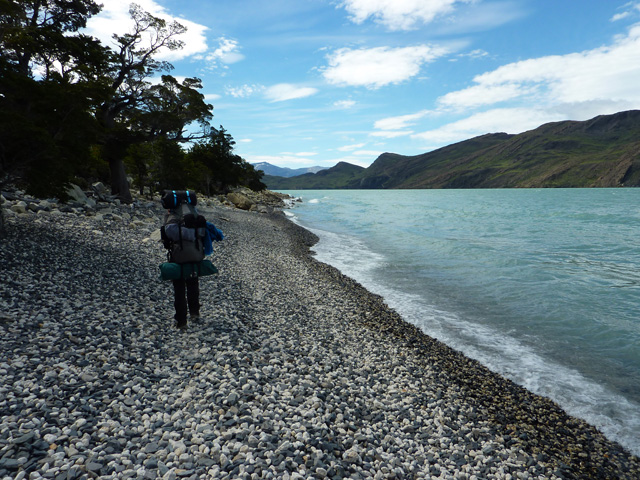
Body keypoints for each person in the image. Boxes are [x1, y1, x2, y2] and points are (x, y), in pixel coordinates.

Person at [162, 201, 206, 330]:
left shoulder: (172, 218)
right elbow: (203, 233)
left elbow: (167, 235)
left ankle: (181, 321)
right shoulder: (194, 214)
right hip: (195, 254)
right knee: (193, 281)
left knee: (179, 287)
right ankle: (194, 312)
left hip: (178, 256)